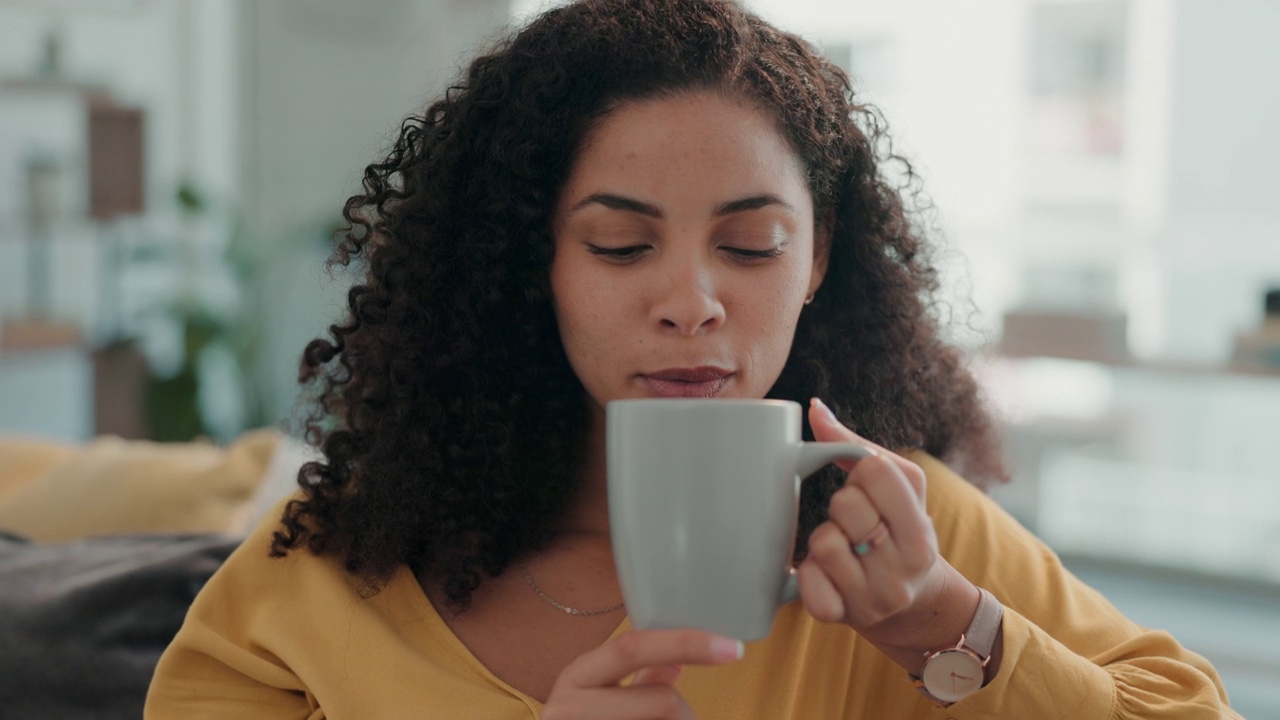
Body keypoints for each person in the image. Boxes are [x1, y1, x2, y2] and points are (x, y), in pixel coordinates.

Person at [145, 1, 1240, 717]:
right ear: (534, 266)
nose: (692, 305)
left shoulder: (898, 535)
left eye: (751, 246)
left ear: (814, 266)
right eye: (620, 246)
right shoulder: (328, 574)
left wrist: (945, 630)